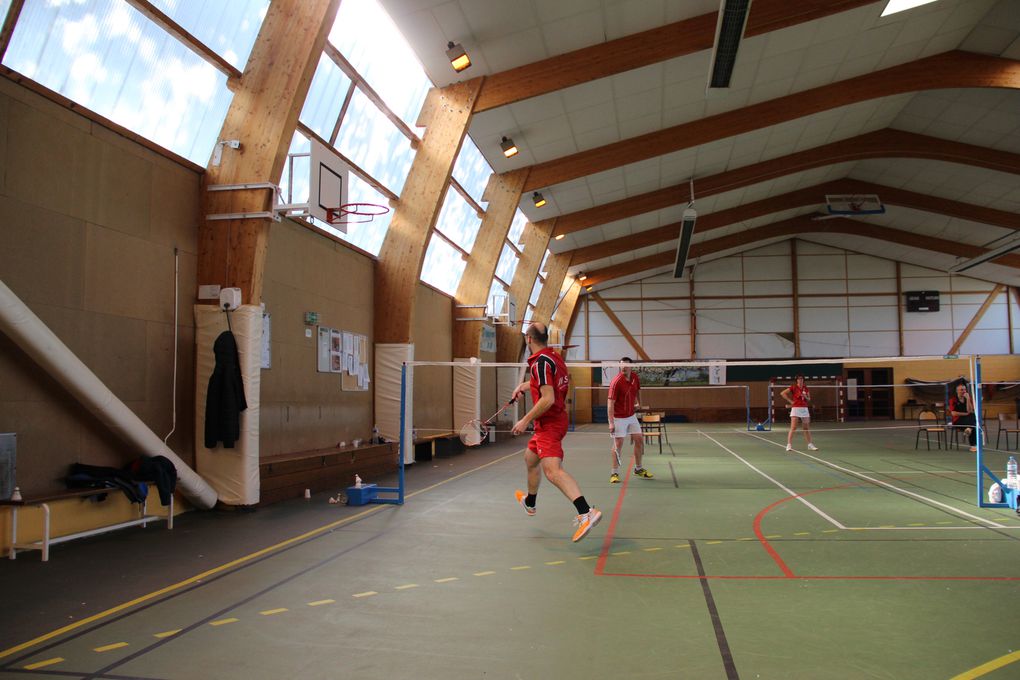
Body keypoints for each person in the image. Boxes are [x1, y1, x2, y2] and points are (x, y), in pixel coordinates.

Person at [511, 322, 602, 542]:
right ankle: (530, 503)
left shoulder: (539, 363)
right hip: (554, 421)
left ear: (528, 339)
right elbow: (545, 382)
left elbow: (548, 398)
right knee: (530, 459)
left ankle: (585, 512)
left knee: (552, 471)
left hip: (549, 424)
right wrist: (524, 386)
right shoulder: (553, 357)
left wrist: (524, 419)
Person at [607, 357, 653, 483]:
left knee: (639, 439)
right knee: (618, 444)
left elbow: (637, 391)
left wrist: (638, 403)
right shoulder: (616, 382)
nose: (624, 367)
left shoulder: (634, 377)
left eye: (626, 365)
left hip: (631, 416)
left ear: (631, 366)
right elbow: (610, 404)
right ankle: (614, 473)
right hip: (619, 417)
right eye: (621, 365)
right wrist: (611, 422)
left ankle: (638, 468)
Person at [781, 375, 818, 452]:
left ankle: (810, 445)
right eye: (799, 379)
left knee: (806, 428)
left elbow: (809, 399)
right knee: (793, 427)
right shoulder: (793, 387)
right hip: (796, 408)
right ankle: (789, 445)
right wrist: (790, 401)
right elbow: (783, 393)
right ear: (797, 380)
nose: (800, 380)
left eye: (801, 379)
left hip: (804, 409)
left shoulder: (805, 388)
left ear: (803, 380)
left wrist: (805, 396)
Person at [948, 382, 977, 452]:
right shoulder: (953, 400)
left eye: (964, 389)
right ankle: (973, 445)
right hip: (957, 421)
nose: (963, 391)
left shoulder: (968, 398)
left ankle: (968, 430)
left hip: (967, 421)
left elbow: (969, 411)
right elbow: (954, 413)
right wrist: (965, 414)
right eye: (961, 390)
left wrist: (968, 400)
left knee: (973, 416)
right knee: (973, 425)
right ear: (957, 391)